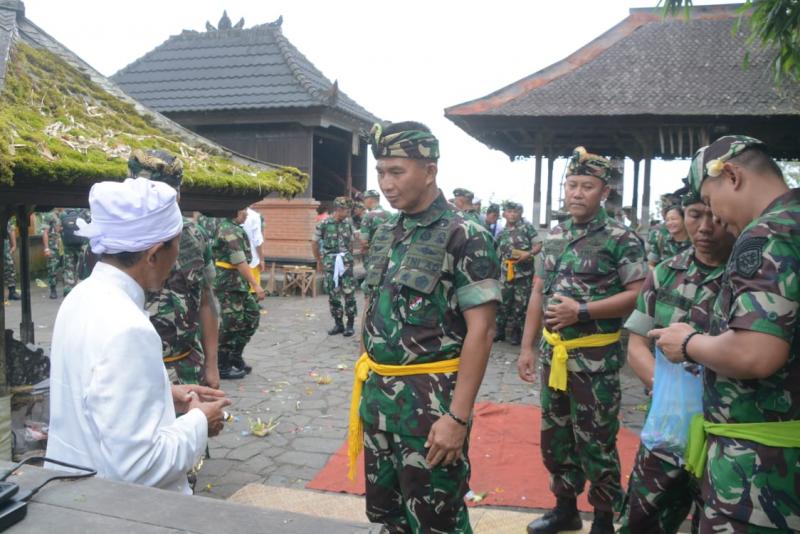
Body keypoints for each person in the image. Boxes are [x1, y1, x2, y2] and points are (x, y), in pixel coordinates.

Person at [350, 121, 500, 533]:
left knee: (437, 520)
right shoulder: (385, 232)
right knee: (387, 516)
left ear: (430, 170)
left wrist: (458, 417)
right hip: (379, 401)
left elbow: (482, 332)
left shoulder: (465, 235)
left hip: (430, 410)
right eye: (380, 172)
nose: (385, 183)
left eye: (396, 172)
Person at [650, 136, 800, 533]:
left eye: (709, 201)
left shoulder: (767, 235)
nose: (714, 219)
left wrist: (687, 343)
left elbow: (755, 353)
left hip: (762, 472)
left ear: (731, 176)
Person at [46, 177, 231, 493]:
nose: (177, 263)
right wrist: (200, 420)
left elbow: (96, 393)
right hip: (116, 510)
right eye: (176, 247)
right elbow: (140, 467)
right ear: (155, 254)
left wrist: (163, 393)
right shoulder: (129, 329)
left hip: (76, 489)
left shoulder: (81, 295)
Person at [517, 146, 647, 534]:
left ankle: (605, 517)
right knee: (555, 437)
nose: (576, 193)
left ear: (603, 192)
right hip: (552, 357)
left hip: (594, 362)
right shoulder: (554, 239)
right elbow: (537, 295)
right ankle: (565, 508)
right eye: (571, 184)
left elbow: (638, 296)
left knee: (596, 440)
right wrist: (526, 347)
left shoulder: (621, 239)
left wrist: (583, 312)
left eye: (586, 186)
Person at [618, 176, 735, 534]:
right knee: (640, 520)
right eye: (693, 214)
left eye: (713, 216)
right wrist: (661, 385)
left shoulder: (750, 277)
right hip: (669, 428)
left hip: (726, 433)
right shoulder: (665, 274)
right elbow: (636, 343)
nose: (704, 227)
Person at [127, 149, 222, 388]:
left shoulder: (194, 236)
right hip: (135, 374)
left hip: (188, 367)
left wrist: (212, 364)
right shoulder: (109, 242)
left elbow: (206, 301)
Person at [212, 209, 265, 379]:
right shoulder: (229, 229)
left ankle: (235, 356)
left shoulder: (235, 227)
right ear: (236, 211)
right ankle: (222, 365)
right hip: (228, 284)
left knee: (252, 316)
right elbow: (239, 261)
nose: (247, 214)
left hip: (238, 283)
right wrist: (255, 284)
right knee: (231, 324)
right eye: (244, 211)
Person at [494, 201, 541, 345]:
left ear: (520, 214)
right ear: (504, 214)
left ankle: (516, 332)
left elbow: (538, 245)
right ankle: (499, 331)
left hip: (524, 273)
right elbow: (494, 249)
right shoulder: (501, 232)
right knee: (503, 302)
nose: (512, 214)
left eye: (515, 212)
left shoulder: (527, 228)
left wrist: (528, 254)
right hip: (505, 273)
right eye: (509, 211)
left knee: (520, 304)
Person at [312, 196, 357, 337]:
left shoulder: (348, 223)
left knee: (349, 293)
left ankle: (350, 325)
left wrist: (349, 257)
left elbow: (351, 242)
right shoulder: (324, 223)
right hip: (330, 263)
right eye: (346, 210)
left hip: (346, 262)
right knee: (333, 294)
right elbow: (314, 243)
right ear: (338, 209)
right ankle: (339, 324)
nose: (348, 213)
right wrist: (319, 260)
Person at [648, 200, 691, 268]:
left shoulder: (695, 242)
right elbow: (651, 264)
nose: (670, 223)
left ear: (684, 219)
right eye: (667, 220)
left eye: (673, 219)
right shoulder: (661, 240)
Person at [60, 207, 90, 296]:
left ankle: (68, 290)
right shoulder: (85, 212)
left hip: (68, 245)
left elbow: (59, 229)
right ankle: (80, 291)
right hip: (81, 244)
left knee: (69, 268)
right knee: (81, 267)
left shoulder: (63, 214)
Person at [359, 189, 391, 254]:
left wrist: (364, 248)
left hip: (374, 254)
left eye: (364, 200)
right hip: (388, 252)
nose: (363, 203)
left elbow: (364, 241)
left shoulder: (368, 216)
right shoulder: (390, 214)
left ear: (369, 200)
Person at [241, 206, 265, 289]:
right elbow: (257, 240)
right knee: (253, 291)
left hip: (233, 262)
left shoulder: (228, 214)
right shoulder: (254, 216)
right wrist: (261, 259)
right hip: (251, 260)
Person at [3, 218, 19, 301]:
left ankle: (12, 292)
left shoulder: (3, 215)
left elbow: (11, 229)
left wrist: (14, 245)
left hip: (3, 242)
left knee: (9, 266)